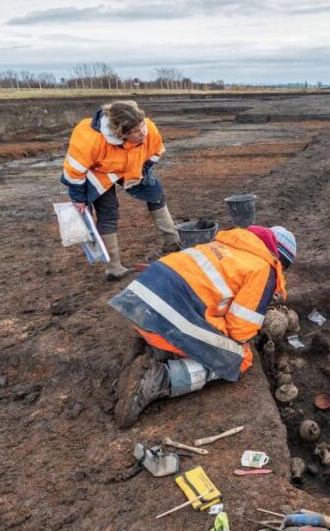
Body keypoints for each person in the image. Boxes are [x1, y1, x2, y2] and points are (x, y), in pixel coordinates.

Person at [108, 225, 297, 427]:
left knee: (205, 329)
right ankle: (158, 379)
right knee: (239, 358)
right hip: (167, 314)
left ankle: (155, 349)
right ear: (281, 262)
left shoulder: (230, 242)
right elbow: (240, 331)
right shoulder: (264, 268)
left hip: (142, 305)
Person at [61, 100, 181, 280]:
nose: (142, 133)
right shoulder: (90, 138)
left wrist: (144, 170)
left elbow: (156, 151)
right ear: (120, 133)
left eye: (142, 126)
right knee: (108, 212)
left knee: (156, 193)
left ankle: (172, 243)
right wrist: (78, 198)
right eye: (135, 131)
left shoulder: (148, 128)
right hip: (99, 173)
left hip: (132, 165)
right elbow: (74, 171)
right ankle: (113, 267)